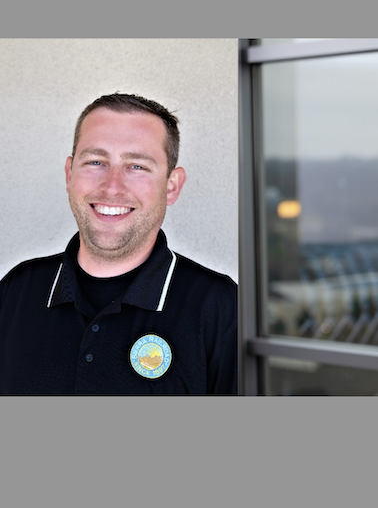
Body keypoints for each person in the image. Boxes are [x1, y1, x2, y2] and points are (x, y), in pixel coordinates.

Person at [0, 93, 238, 394]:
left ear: (171, 186)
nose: (112, 187)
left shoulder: (220, 307)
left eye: (136, 166)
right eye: (96, 162)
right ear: (69, 175)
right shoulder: (15, 291)